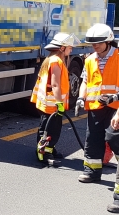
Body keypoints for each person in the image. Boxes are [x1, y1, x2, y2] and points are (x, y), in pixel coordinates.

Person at [76, 23, 119, 183]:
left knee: (114, 139)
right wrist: (81, 98)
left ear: (108, 41)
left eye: (98, 43)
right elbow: (85, 82)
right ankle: (92, 172)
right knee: (93, 139)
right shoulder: (89, 59)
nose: (95, 46)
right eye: (93, 43)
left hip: (115, 107)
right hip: (95, 107)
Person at [31, 32, 79, 165]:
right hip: (52, 104)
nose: (71, 49)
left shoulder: (50, 59)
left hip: (47, 102)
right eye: (70, 47)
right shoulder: (56, 62)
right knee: (50, 129)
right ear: (62, 48)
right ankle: (44, 153)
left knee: (49, 127)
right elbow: (55, 84)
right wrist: (59, 103)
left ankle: (49, 149)